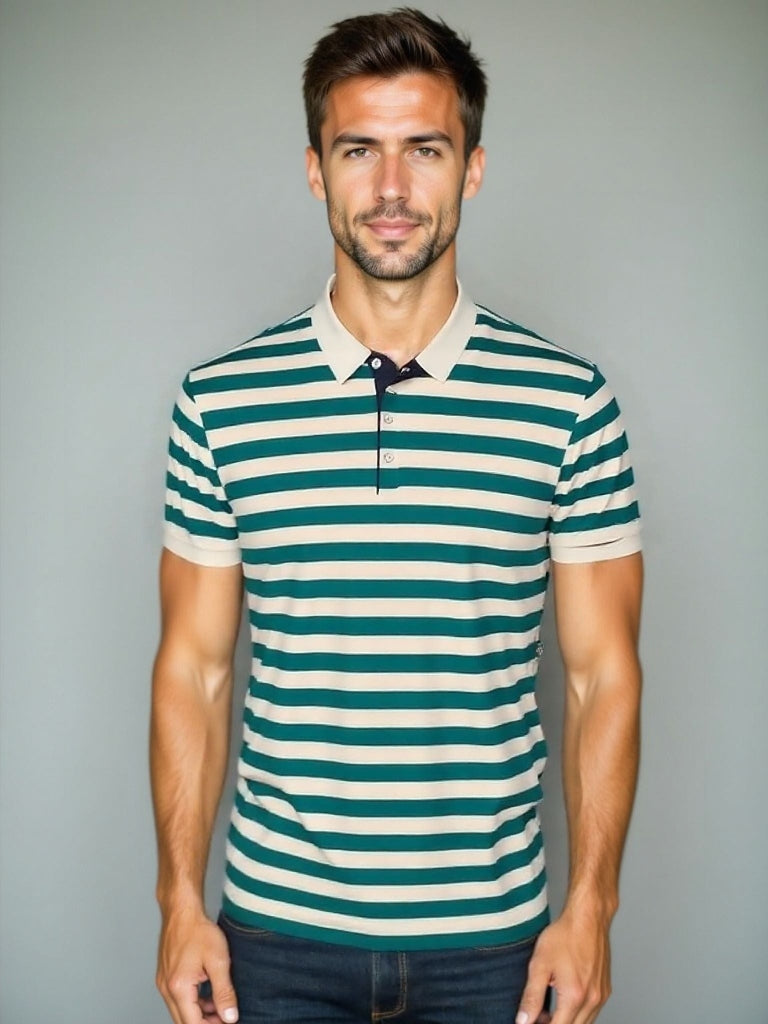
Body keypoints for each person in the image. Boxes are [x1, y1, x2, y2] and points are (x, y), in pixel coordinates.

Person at [150, 8, 643, 1024]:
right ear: (314, 171)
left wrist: (592, 908)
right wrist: (179, 902)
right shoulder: (219, 402)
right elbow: (193, 669)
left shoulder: (569, 403)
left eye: (424, 149)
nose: (389, 188)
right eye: (357, 150)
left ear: (472, 169)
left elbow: (602, 676)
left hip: (495, 950)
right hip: (271, 943)